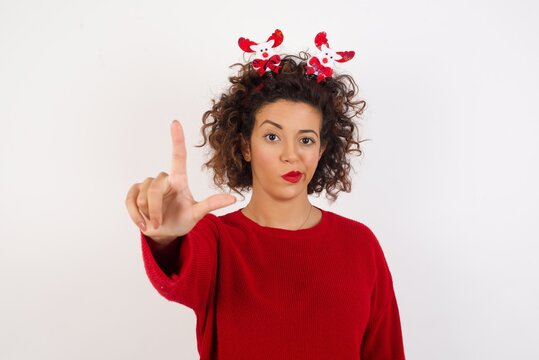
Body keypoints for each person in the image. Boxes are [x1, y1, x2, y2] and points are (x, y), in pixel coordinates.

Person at [125, 30, 405, 359]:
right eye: (272, 137)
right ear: (245, 145)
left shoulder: (360, 245)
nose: (291, 155)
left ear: (322, 149)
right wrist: (167, 239)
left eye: (306, 140)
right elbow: (181, 272)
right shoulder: (216, 241)